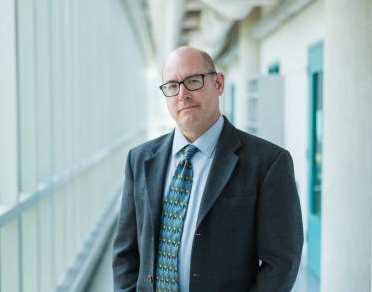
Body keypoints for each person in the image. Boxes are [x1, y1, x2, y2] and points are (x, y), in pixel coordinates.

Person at [112, 46, 303, 292]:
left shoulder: (268, 163)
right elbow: (126, 253)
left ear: (219, 84)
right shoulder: (139, 160)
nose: (182, 94)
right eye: (172, 86)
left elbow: (281, 263)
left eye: (193, 81)